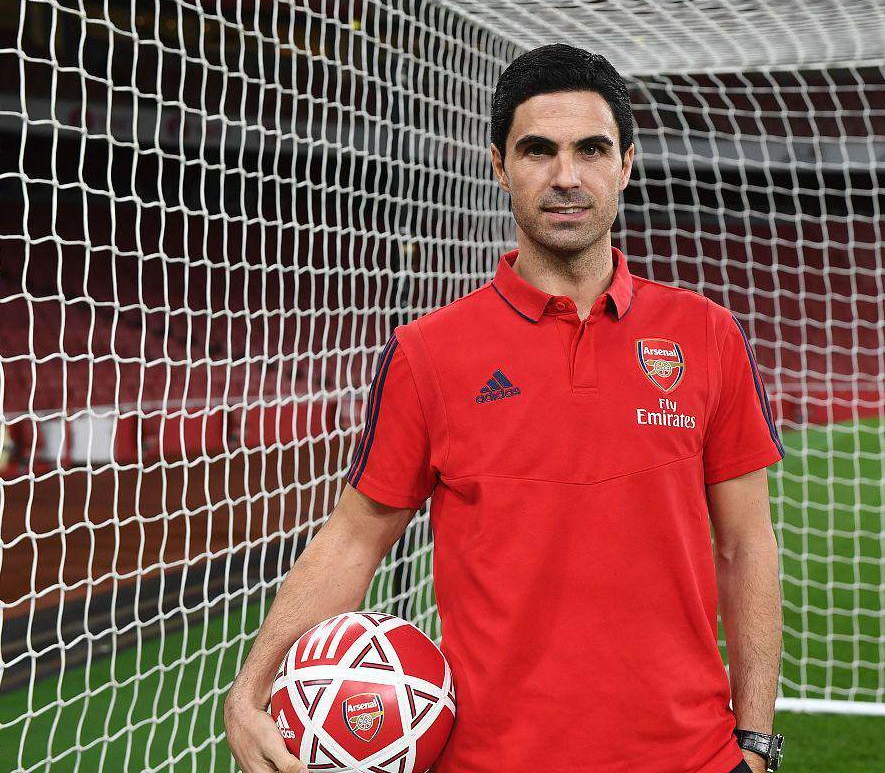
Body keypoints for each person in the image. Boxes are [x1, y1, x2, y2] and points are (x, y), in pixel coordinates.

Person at [225, 43, 785, 773]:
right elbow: (355, 539)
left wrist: (756, 741)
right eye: (537, 150)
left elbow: (747, 546)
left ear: (626, 164)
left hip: (691, 760)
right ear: (499, 165)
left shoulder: (707, 336)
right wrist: (250, 690)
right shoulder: (428, 354)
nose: (566, 176)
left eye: (591, 149)